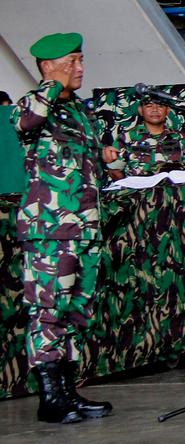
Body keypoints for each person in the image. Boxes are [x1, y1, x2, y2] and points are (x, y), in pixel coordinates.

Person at [10, 32, 114, 424]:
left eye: (81, 60)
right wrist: (52, 81)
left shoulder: (80, 112)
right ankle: (50, 397)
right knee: (49, 309)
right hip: (50, 230)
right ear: (48, 66)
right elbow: (26, 121)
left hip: (85, 228)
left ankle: (69, 391)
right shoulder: (33, 105)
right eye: (72, 61)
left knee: (76, 311)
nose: (80, 68)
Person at [107, 97, 185, 178]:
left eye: (160, 106)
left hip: (174, 189)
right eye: (149, 106)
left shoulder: (181, 137)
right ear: (141, 110)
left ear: (167, 111)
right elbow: (114, 171)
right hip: (138, 190)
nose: (155, 110)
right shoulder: (126, 138)